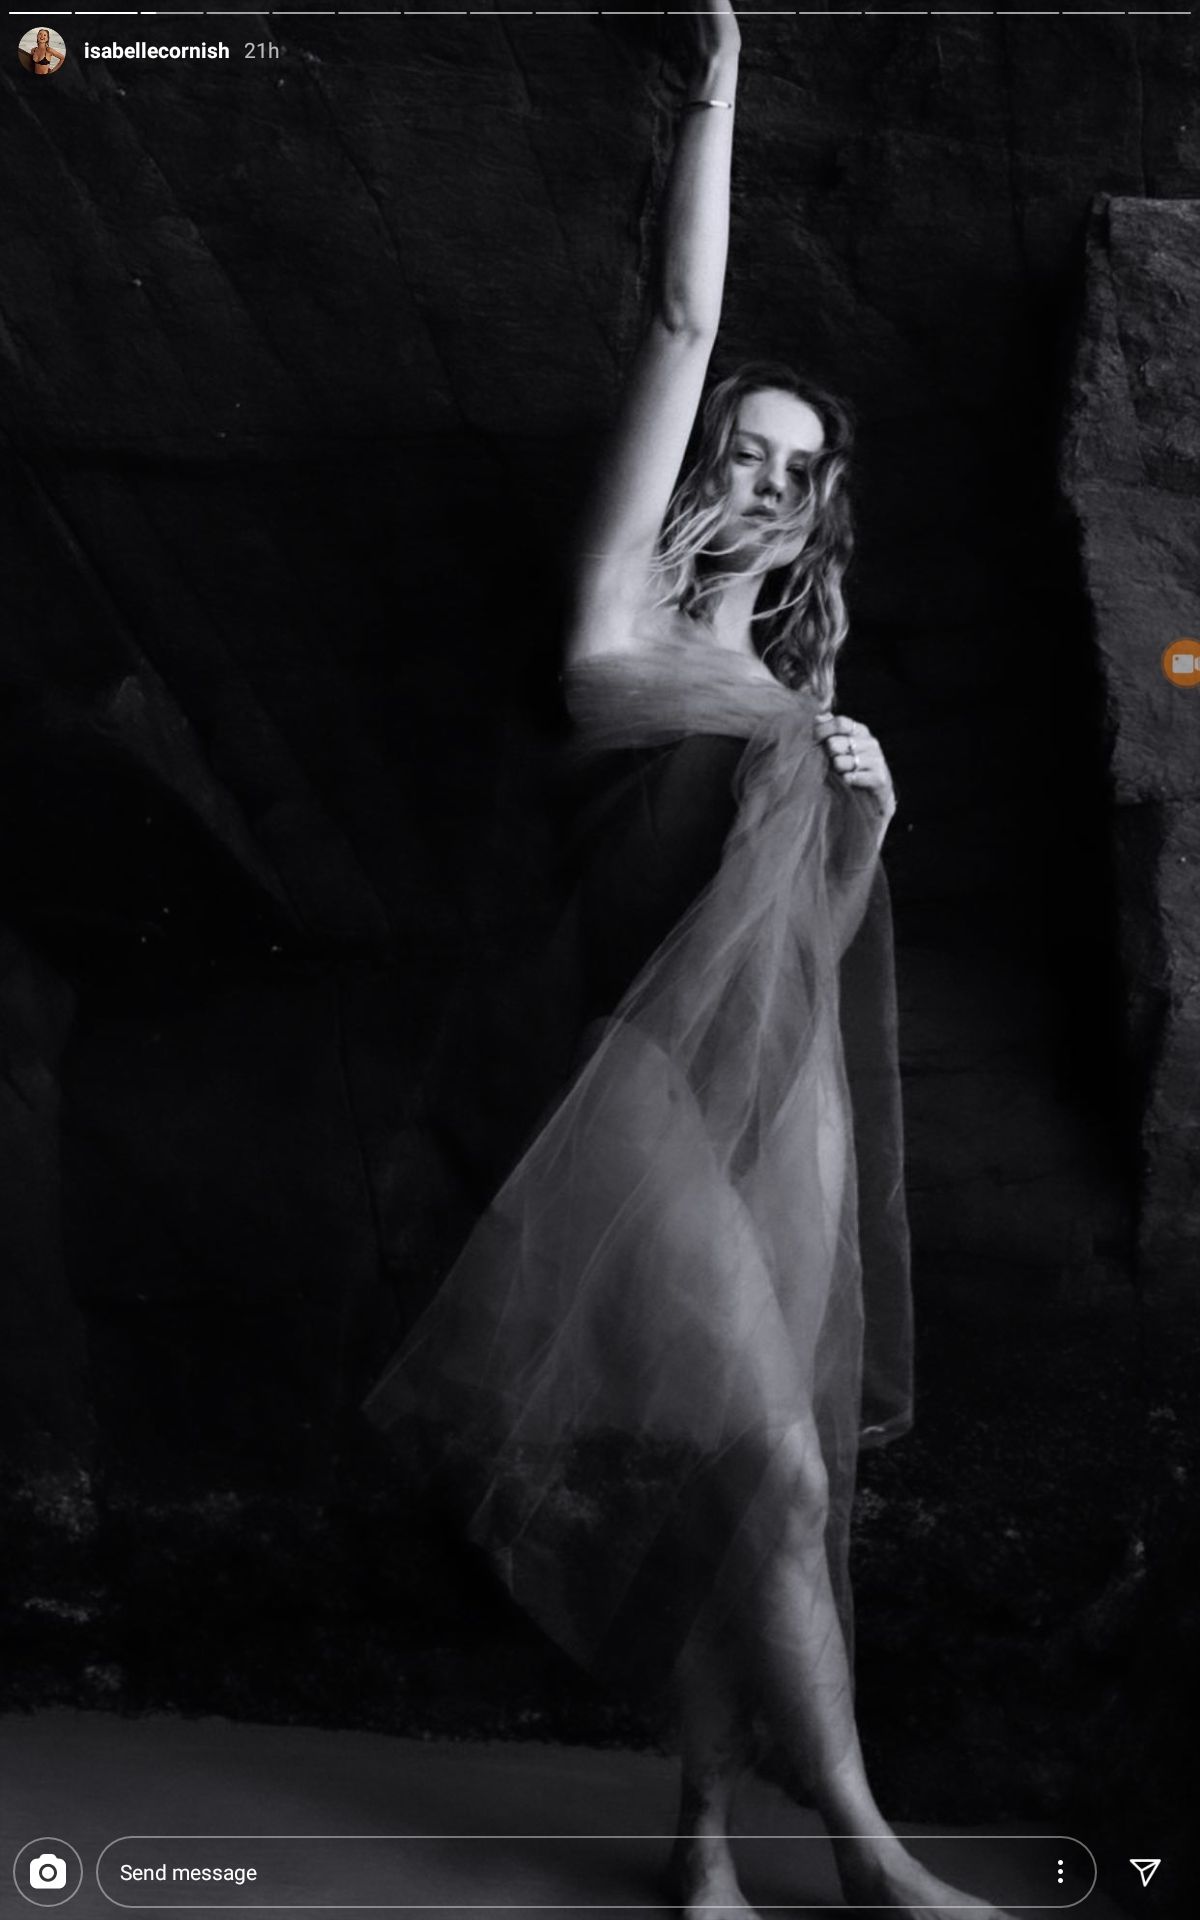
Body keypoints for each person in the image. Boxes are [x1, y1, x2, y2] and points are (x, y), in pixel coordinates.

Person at [365, 7, 1012, 1915]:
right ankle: (874, 1859)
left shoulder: (798, 692)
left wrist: (869, 821)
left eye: (796, 468)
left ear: (820, 514)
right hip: (630, 1091)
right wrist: (719, 84)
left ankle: (703, 1843)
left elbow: (800, 953)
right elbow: (675, 317)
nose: (760, 475)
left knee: (746, 1479)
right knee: (775, 1475)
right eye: (741, 443)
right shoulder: (617, 617)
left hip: (771, 1107)